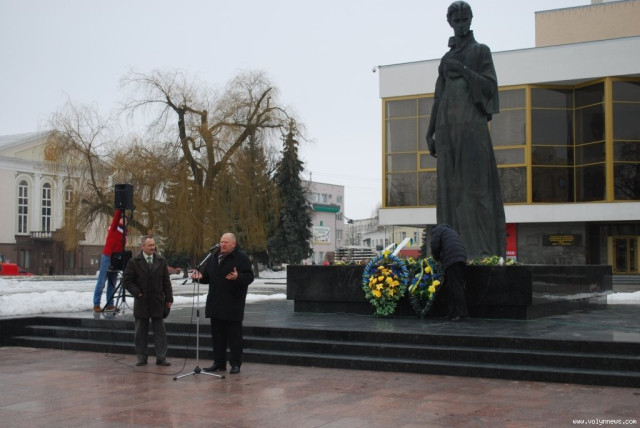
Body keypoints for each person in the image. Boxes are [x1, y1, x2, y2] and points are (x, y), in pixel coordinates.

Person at [426, 1, 506, 260]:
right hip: (446, 132)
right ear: (450, 22)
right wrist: (430, 132)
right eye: (456, 20)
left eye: (464, 20)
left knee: (475, 191)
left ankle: (483, 254)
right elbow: (438, 98)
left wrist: (463, 70)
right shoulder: (446, 59)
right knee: (449, 194)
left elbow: (490, 88)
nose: (460, 25)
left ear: (470, 20)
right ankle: (451, 254)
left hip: (472, 128)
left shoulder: (481, 51)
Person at [191, 233, 254, 374]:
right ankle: (219, 363)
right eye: (221, 242)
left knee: (234, 337)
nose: (223, 244)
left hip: (233, 304)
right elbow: (208, 277)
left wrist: (238, 277)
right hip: (215, 304)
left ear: (233, 244)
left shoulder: (241, 258)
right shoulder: (213, 258)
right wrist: (200, 277)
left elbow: (250, 277)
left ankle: (235, 364)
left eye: (226, 242)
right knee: (217, 337)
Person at [123, 235, 174, 366]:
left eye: (153, 245)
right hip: (142, 302)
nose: (153, 247)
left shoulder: (161, 260)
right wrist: (138, 293)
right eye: (150, 245)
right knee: (140, 332)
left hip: (157, 301)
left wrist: (169, 298)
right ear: (142, 247)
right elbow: (127, 281)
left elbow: (166, 281)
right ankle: (142, 357)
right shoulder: (134, 262)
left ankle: (161, 357)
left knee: (160, 332)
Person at [430, 224, 469, 321]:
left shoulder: (437, 231)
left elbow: (435, 246)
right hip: (460, 257)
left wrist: (436, 258)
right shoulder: (449, 231)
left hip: (452, 259)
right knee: (453, 286)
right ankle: (452, 313)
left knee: (455, 287)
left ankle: (462, 314)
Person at [92, 209, 128, 312]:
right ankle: (96, 304)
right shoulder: (114, 228)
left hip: (116, 258)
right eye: (122, 219)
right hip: (108, 256)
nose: (124, 220)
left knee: (112, 282)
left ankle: (110, 304)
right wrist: (120, 210)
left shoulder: (124, 233)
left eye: (126, 220)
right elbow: (116, 219)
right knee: (102, 281)